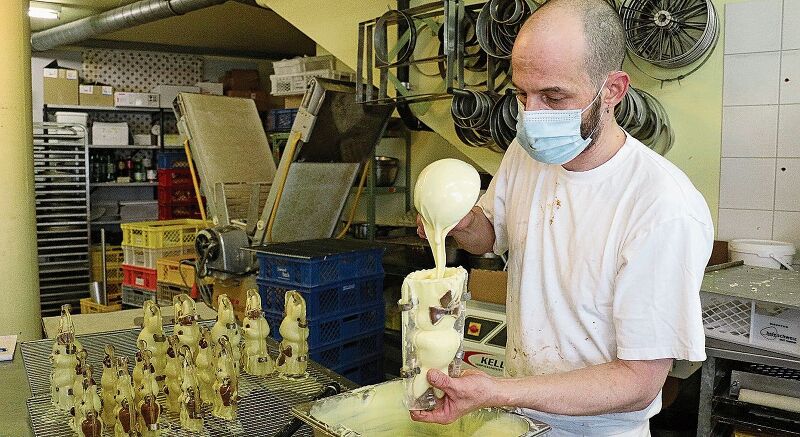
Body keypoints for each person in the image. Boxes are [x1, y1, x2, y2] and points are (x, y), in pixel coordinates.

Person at [410, 0, 713, 435]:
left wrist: (497, 391)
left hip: (595, 429)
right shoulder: (526, 152)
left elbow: (639, 382)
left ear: (612, 90)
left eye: (554, 97)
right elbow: (491, 234)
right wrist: (458, 221)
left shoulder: (662, 207)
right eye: (521, 95)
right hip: (518, 420)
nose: (532, 116)